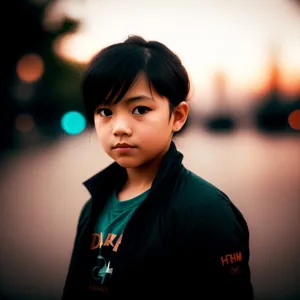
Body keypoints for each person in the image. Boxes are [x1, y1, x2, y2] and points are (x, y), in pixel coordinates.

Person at [61, 35, 254, 300]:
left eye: (140, 109)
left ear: (177, 116)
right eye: (105, 112)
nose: (119, 128)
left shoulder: (207, 212)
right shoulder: (94, 204)